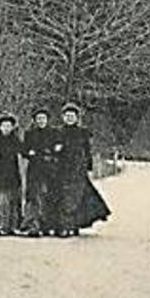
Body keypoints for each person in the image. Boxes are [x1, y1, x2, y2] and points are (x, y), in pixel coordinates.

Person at [46, 102, 110, 237]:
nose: (69, 118)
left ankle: (71, 226)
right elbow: (52, 150)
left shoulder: (83, 133)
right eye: (67, 116)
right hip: (61, 170)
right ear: (63, 117)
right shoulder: (58, 132)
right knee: (60, 197)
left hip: (77, 171)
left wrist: (89, 167)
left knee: (75, 199)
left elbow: (87, 151)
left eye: (72, 116)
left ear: (77, 118)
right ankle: (62, 226)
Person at [20, 108, 56, 237]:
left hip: (49, 169)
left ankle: (46, 225)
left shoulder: (53, 133)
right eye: (38, 119)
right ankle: (33, 225)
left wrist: (53, 152)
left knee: (47, 196)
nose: (41, 121)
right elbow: (23, 150)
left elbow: (58, 148)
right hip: (34, 169)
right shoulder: (30, 134)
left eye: (43, 118)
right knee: (33, 196)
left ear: (47, 120)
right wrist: (29, 153)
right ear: (35, 120)